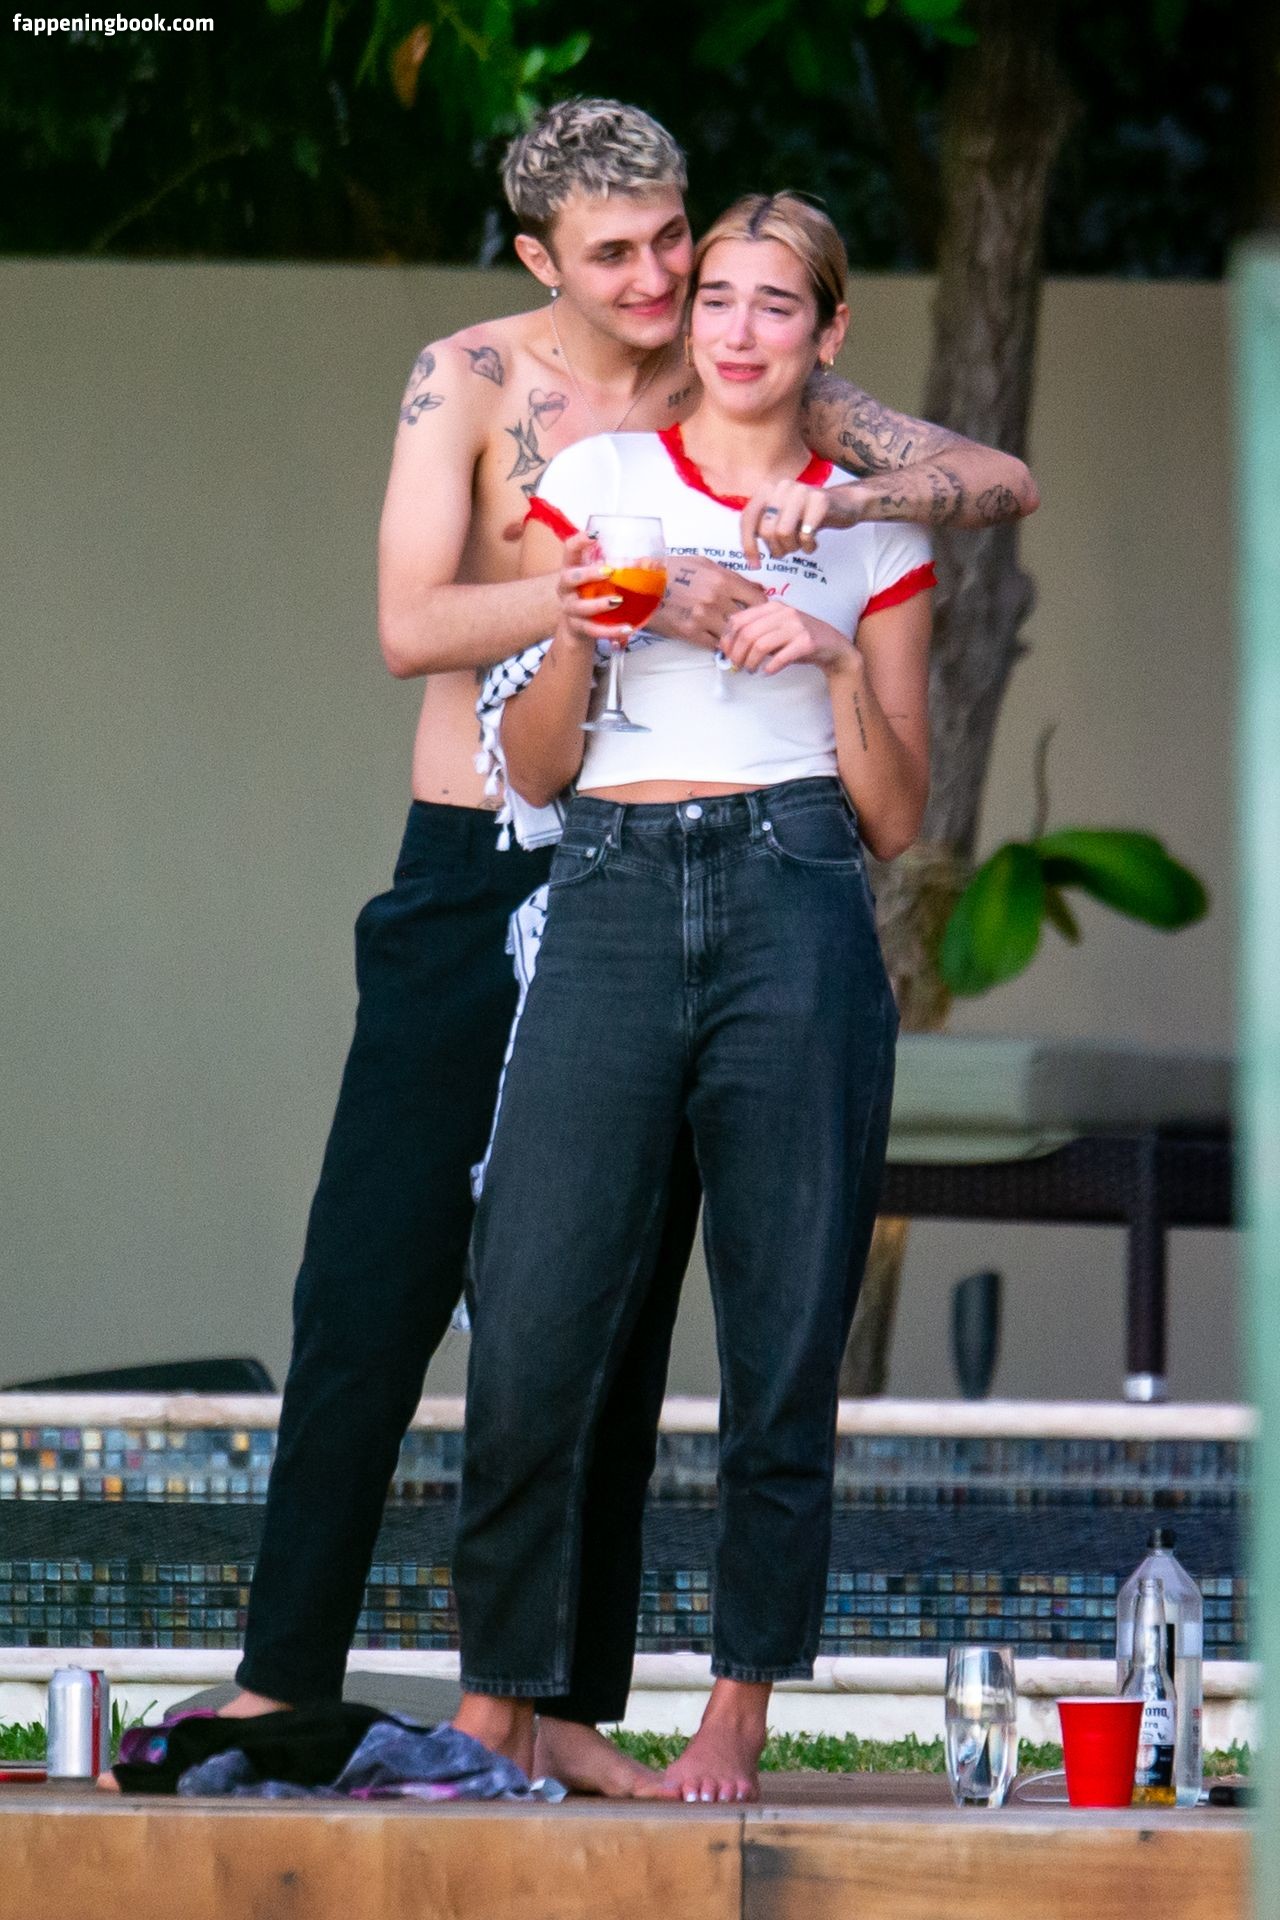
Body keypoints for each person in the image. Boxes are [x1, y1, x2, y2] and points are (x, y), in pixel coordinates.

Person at [223, 98, 1038, 1797]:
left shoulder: (760, 372)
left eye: (682, 239)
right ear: (541, 259)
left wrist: (841, 522)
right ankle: (291, 1680)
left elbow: (990, 482)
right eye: (625, 256)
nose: (669, 283)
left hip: (735, 867)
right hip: (497, 861)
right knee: (399, 1278)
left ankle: (575, 1704)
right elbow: (413, 630)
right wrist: (620, 596)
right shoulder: (482, 387)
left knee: (654, 1300)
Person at [450, 191, 934, 1804]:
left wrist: (833, 660)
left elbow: (896, 817)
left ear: (828, 331)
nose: (734, 328)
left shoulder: (875, 529)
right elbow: (531, 767)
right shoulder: (600, 483)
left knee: (784, 1328)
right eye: (715, 296)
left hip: (797, 891)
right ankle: (502, 1706)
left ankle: (737, 1704)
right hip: (607, 884)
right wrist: (591, 622)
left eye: (774, 304)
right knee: (532, 1309)